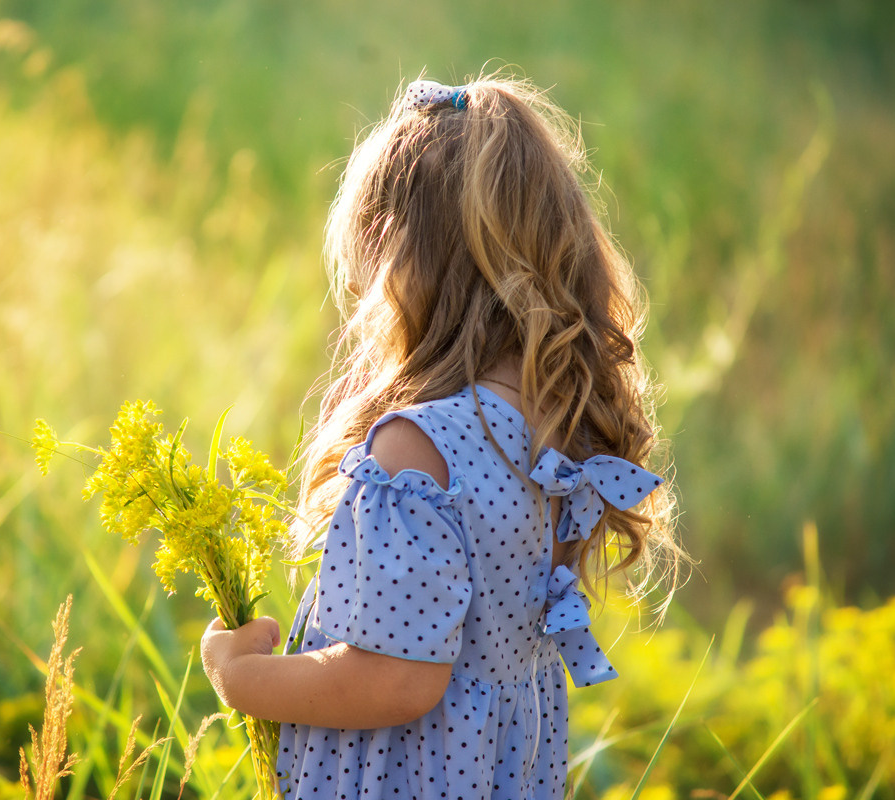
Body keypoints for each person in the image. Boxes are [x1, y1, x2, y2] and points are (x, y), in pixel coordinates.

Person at [201, 73, 684, 799]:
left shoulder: (417, 448)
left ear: (399, 256)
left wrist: (242, 678)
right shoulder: (554, 431)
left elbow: (395, 680)